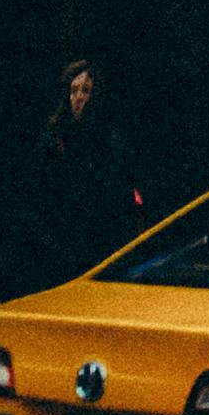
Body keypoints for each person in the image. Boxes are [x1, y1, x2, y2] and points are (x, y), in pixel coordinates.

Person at [20, 57, 142, 284]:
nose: (78, 98)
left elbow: (119, 199)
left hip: (99, 249)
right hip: (59, 252)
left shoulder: (109, 142)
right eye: (73, 91)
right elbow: (35, 197)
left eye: (85, 91)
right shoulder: (53, 141)